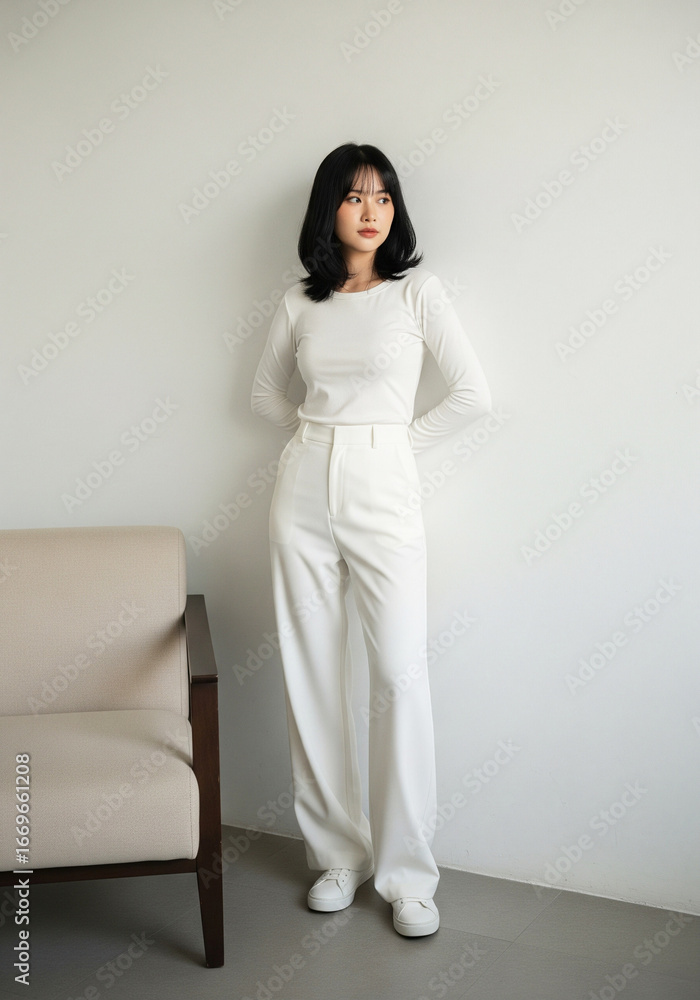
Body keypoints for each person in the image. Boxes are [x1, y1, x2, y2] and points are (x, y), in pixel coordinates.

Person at [250, 142, 491, 937]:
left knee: (397, 675)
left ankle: (407, 876)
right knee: (312, 673)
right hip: (302, 488)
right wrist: (318, 436)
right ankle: (336, 856)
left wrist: (390, 445)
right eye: (355, 197)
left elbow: (472, 394)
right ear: (329, 209)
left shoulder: (418, 292)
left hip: (384, 486)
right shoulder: (300, 301)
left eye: (383, 197)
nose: (371, 211)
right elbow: (263, 395)